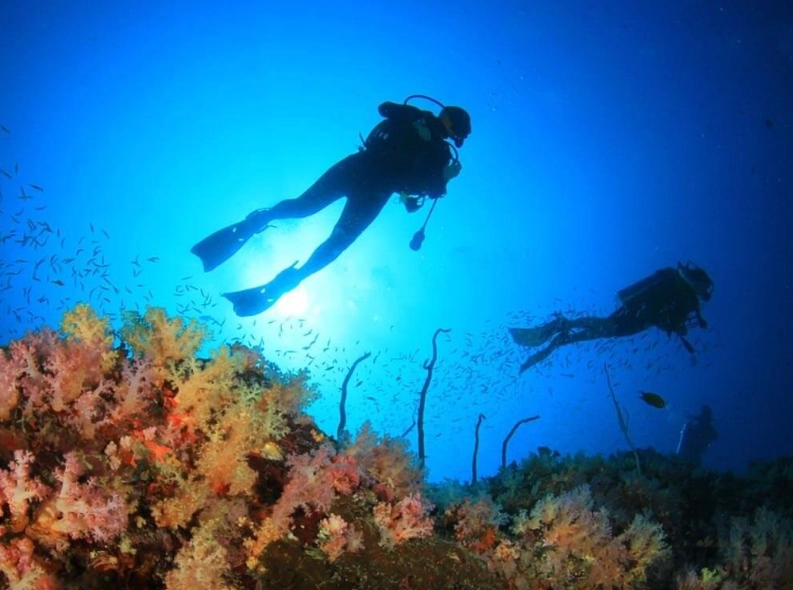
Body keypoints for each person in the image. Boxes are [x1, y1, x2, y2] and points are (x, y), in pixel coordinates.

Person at [191, 95, 471, 316]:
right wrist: (413, 121)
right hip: (367, 176)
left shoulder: (441, 154)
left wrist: (443, 178)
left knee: (320, 223)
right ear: (454, 125)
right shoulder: (419, 121)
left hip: (368, 179)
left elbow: (422, 191)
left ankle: (272, 252)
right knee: (316, 218)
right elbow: (385, 109)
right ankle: (270, 247)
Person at [509, 262, 715, 373]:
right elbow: (662, 314)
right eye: (703, 288)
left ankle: (566, 335)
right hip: (638, 316)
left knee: (605, 329)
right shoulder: (682, 294)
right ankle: (566, 329)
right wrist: (676, 326)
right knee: (606, 328)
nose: (702, 293)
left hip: (636, 312)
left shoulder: (679, 289)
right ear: (699, 283)